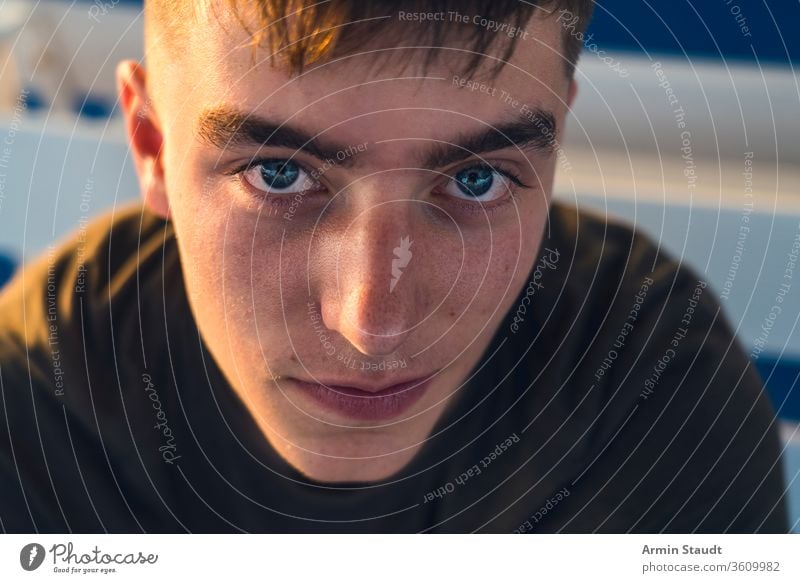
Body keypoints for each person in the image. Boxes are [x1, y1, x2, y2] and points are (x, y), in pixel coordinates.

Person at [0, 0, 788, 533]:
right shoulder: (32, 405)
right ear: (151, 144)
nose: (374, 324)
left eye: (476, 179)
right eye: (278, 174)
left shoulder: (657, 392)